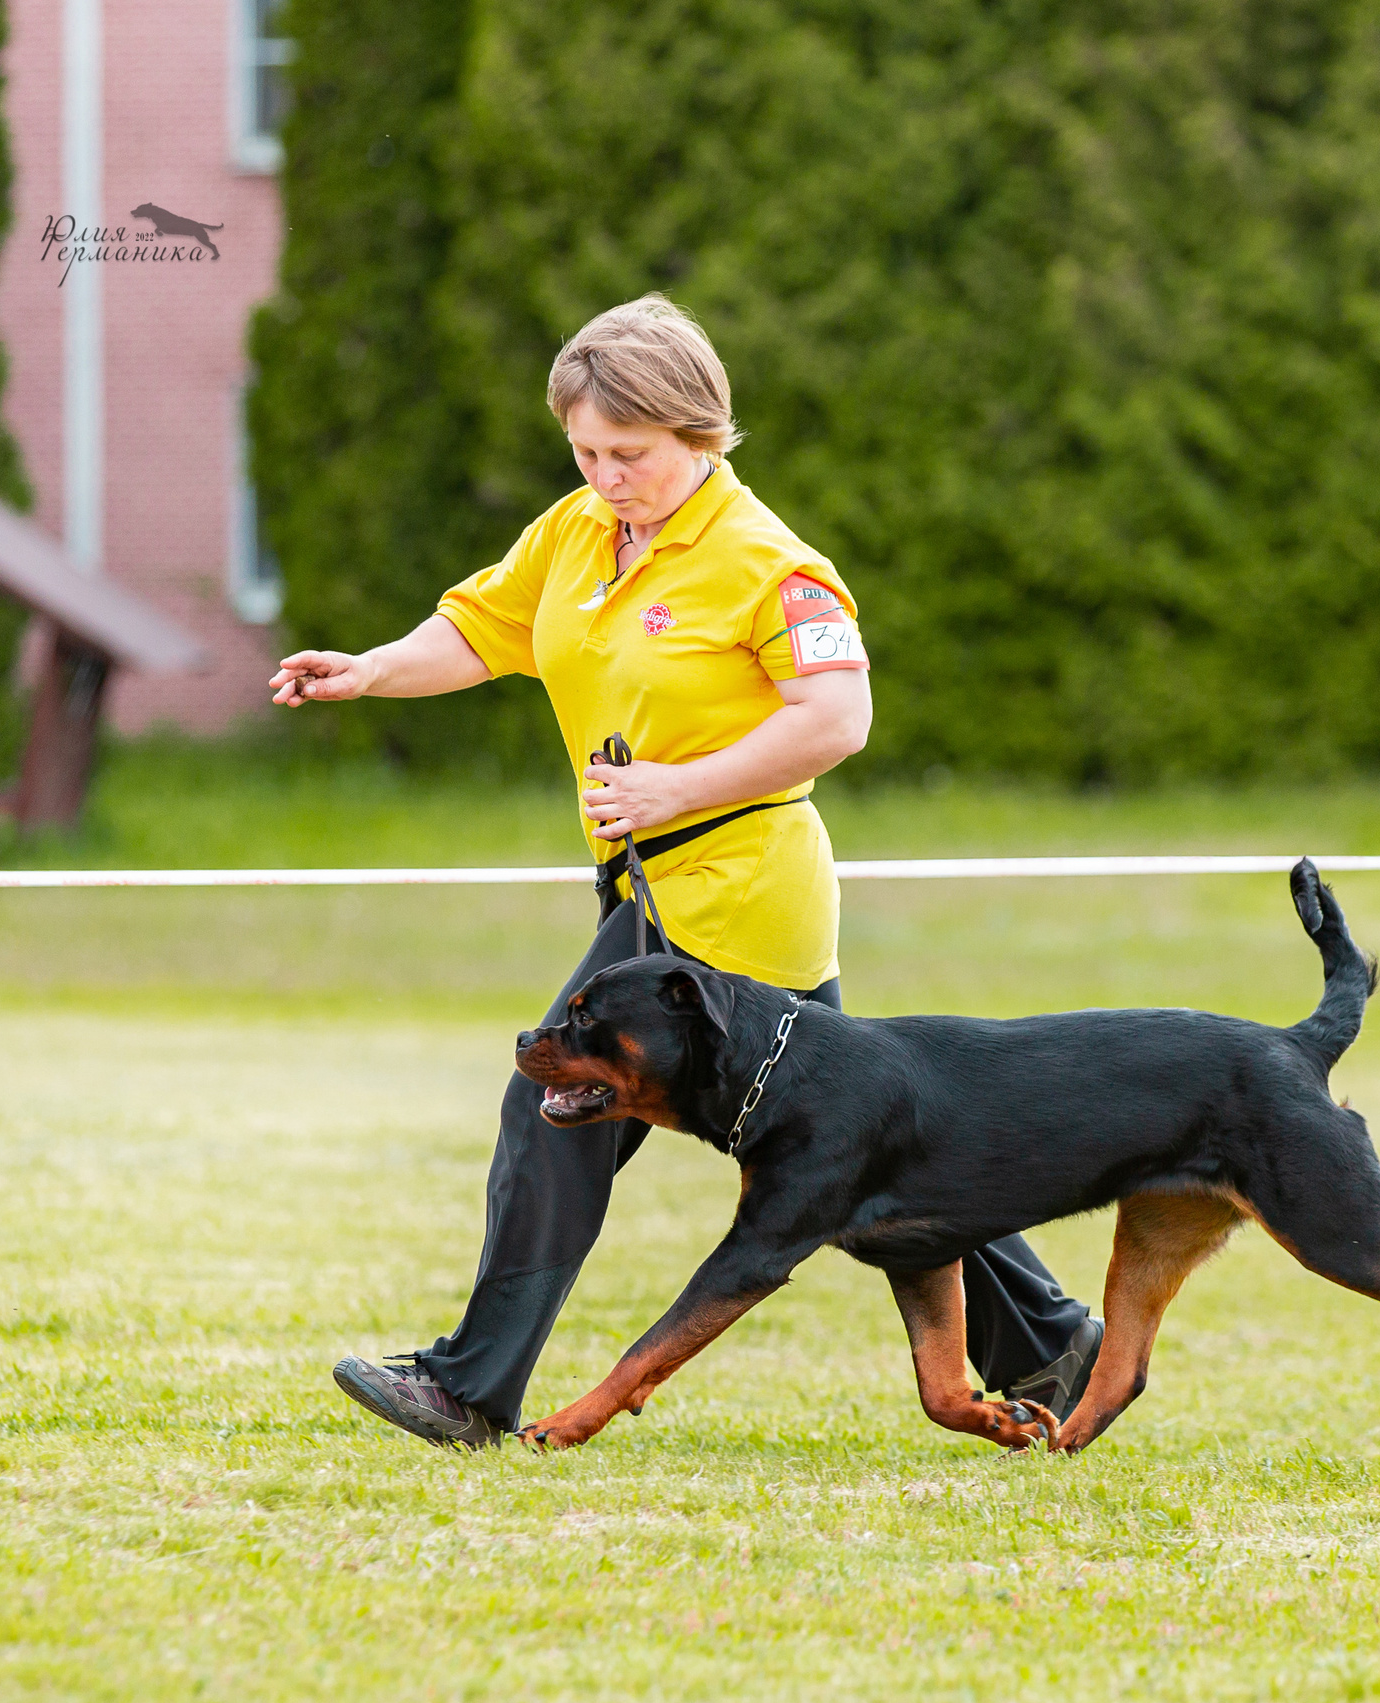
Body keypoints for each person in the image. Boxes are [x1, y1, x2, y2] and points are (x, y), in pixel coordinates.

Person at [271, 294, 1100, 1447]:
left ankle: (469, 1388)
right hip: (646, 890)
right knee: (859, 1143)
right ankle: (1048, 1333)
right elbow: (478, 631)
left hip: (736, 891)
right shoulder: (574, 535)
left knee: (557, 1102)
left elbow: (839, 718)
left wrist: (679, 786)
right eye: (584, 451)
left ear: (699, 433)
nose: (605, 475)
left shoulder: (772, 565)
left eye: (629, 454)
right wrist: (369, 671)